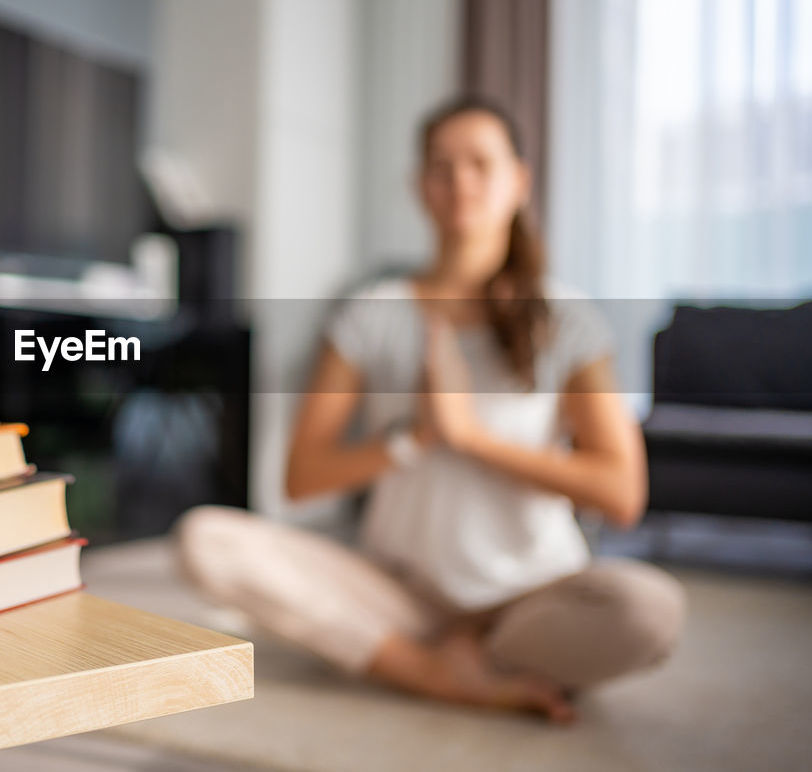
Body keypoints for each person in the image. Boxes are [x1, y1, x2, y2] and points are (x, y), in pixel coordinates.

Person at [174, 96, 685, 724]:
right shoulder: (371, 313)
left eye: (480, 164)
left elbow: (622, 491)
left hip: (530, 598)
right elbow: (300, 476)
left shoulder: (568, 319)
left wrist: (468, 436)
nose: (460, 182)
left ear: (519, 181)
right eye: (441, 166)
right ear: (420, 186)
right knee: (206, 540)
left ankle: (470, 653)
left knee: (648, 612)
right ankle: (435, 672)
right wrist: (412, 438)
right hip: (401, 595)